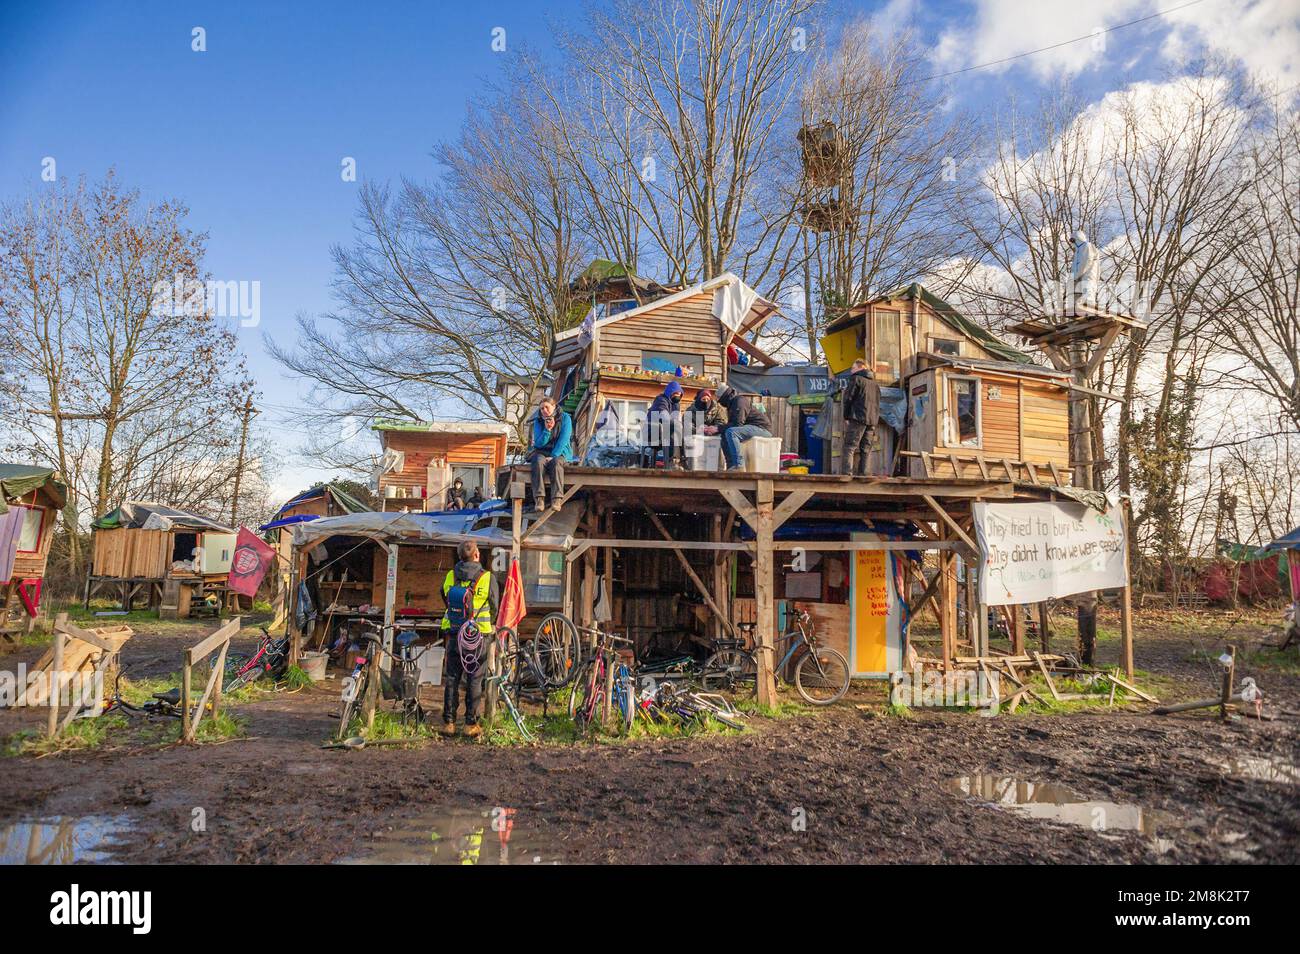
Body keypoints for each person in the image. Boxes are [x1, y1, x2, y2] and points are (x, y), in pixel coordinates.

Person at [439, 540, 500, 738]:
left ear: (459, 557)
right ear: (477, 555)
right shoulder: (487, 577)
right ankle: (470, 724)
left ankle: (448, 723)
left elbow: (445, 598)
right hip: (477, 635)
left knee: (452, 678)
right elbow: (494, 605)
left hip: (454, 633)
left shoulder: (450, 576)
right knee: (475, 679)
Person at [528, 397, 573, 512]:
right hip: (543, 451)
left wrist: (553, 455)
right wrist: (547, 430)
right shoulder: (538, 420)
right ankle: (539, 499)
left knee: (556, 462)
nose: (544, 410)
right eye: (542, 408)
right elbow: (538, 443)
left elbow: (564, 439)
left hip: (561, 452)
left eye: (546, 407)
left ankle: (557, 499)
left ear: (554, 406)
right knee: (537, 461)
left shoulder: (565, 418)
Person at [840, 358, 880, 476]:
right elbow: (878, 403)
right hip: (872, 420)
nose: (851, 371)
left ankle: (846, 474)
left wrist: (846, 416)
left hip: (858, 417)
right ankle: (864, 474)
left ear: (862, 367)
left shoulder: (856, 379)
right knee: (866, 448)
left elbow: (848, 399)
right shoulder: (875, 385)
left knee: (849, 446)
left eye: (853, 368)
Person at [716, 385, 772, 470]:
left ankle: (739, 466)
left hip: (762, 428)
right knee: (725, 434)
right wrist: (718, 429)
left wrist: (717, 428)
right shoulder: (732, 404)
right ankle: (731, 466)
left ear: (724, 396)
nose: (720, 403)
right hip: (752, 428)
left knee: (731, 432)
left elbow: (737, 424)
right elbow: (732, 424)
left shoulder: (739, 401)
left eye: (720, 400)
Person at [643, 380, 684, 469]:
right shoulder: (661, 400)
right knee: (675, 429)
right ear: (670, 392)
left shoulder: (676, 405)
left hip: (664, 432)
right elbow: (664, 416)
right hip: (652, 432)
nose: (677, 396)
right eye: (675, 393)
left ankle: (682, 460)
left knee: (683, 432)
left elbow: (678, 418)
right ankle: (672, 461)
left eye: (679, 394)